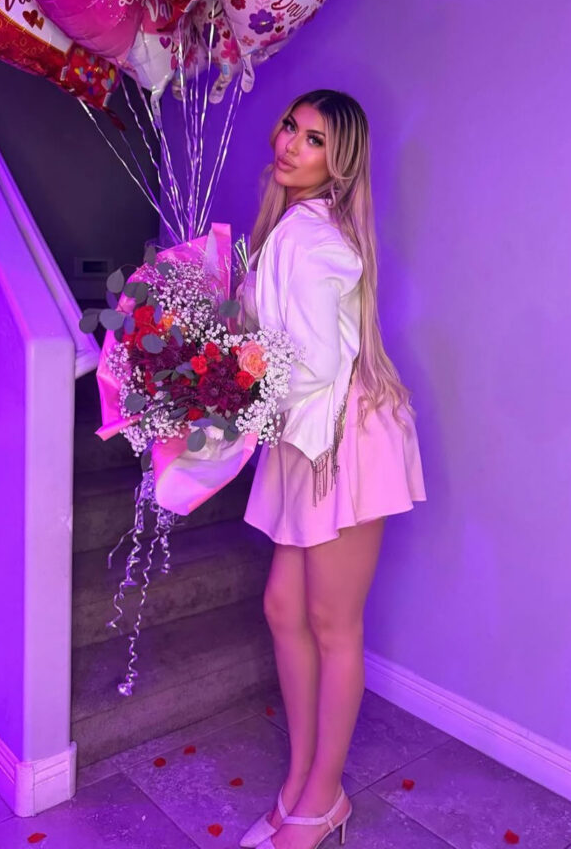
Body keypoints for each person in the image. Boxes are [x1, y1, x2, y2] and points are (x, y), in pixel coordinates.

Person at [235, 90, 426, 849]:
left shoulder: (312, 241)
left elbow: (310, 365)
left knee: (329, 622)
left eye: (312, 140)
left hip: (341, 437)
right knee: (286, 610)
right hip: (303, 434)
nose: (289, 144)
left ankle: (322, 799)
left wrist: (229, 398)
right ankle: (299, 782)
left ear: (336, 167)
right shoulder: (288, 230)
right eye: (290, 126)